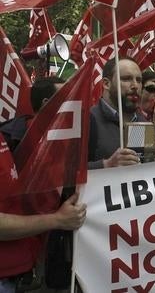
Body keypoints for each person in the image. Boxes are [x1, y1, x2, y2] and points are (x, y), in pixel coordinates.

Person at [0, 77, 86, 293]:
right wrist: (57, 220)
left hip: (32, 271)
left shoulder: (4, 138)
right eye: (68, 100)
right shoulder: (16, 138)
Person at [88, 58, 155, 170]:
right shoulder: (87, 120)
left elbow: (144, 168)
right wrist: (106, 164)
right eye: (126, 79)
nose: (135, 85)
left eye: (139, 80)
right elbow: (63, 173)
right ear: (106, 84)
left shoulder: (142, 121)